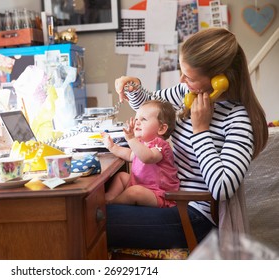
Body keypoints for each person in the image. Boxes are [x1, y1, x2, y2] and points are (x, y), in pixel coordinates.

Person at [107, 27, 268, 250]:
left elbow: (222, 188)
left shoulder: (237, 120)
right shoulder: (186, 94)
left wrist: (200, 130)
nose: (182, 80)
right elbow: (151, 106)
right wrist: (132, 86)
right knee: (95, 211)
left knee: (99, 220)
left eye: (189, 76)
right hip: (169, 199)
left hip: (195, 217)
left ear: (219, 79)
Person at [102, 100, 179, 207]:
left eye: (144, 119)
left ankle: (113, 203)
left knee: (135, 192)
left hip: (158, 194)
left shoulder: (161, 145)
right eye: (137, 118)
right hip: (140, 185)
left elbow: (147, 157)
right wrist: (113, 147)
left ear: (161, 128)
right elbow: (130, 155)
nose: (137, 122)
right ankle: (110, 196)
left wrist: (131, 139)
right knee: (121, 176)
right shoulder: (142, 143)